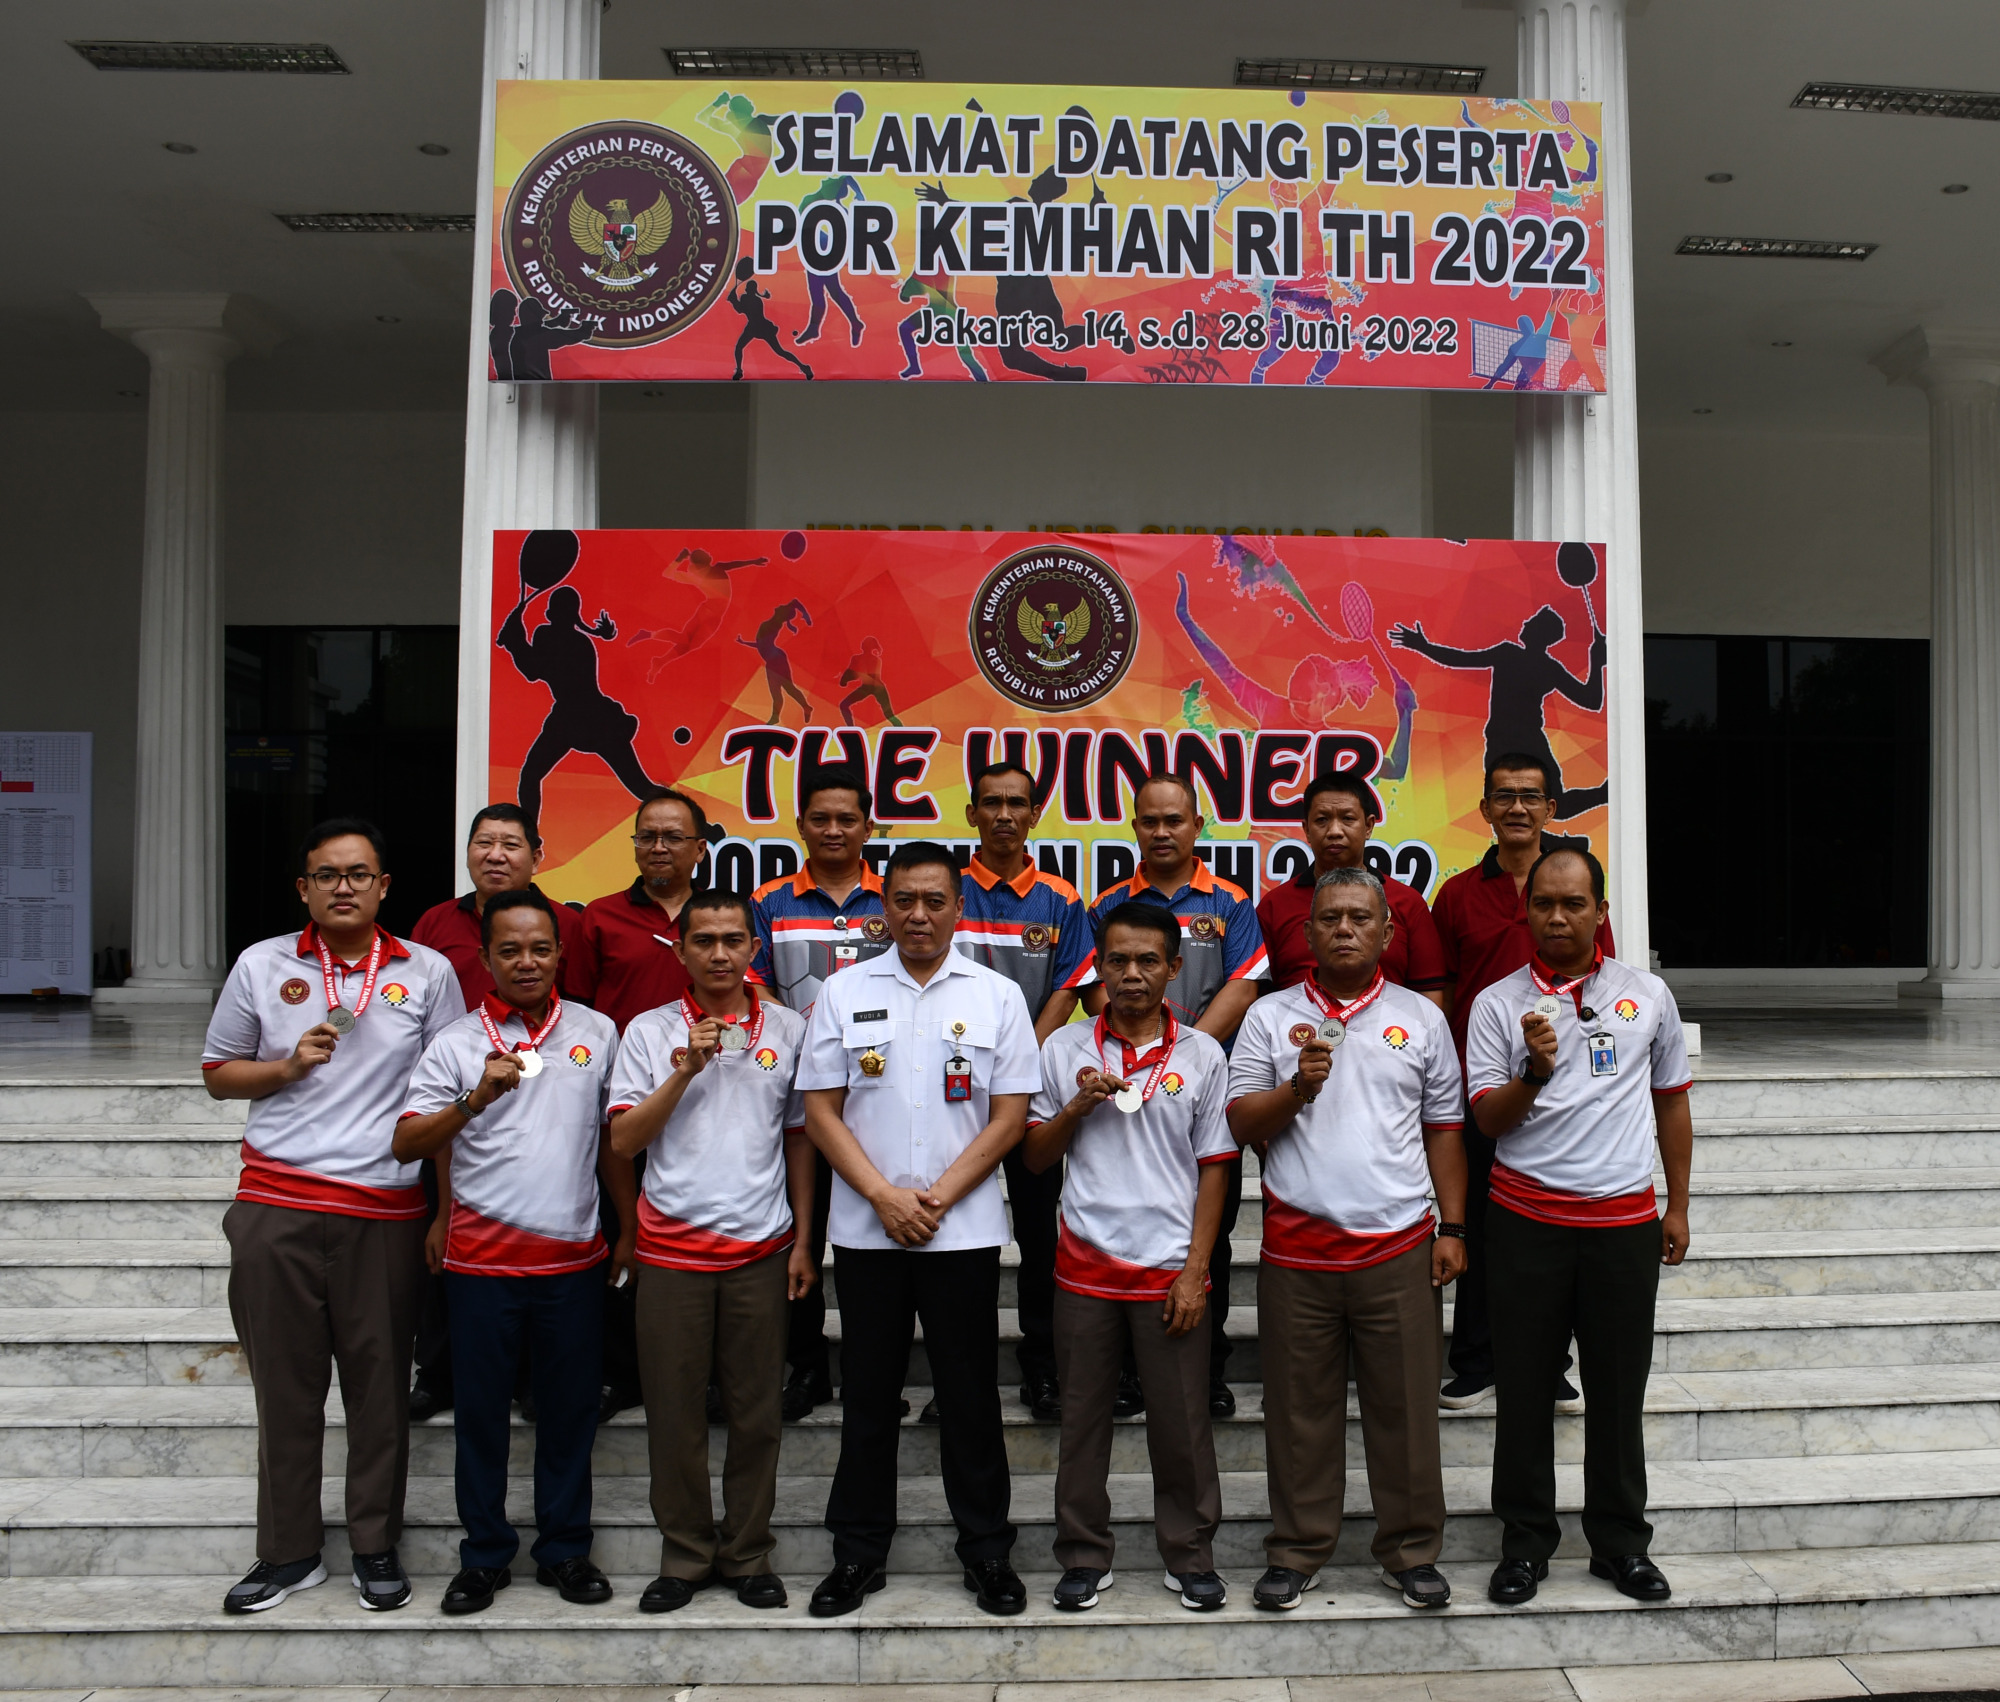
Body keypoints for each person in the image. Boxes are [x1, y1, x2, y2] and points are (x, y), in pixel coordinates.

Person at [201, 818, 463, 1616]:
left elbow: (446, 1099)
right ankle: (288, 1553)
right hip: (276, 1207)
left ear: (384, 886)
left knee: (379, 1391)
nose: (342, 887)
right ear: (303, 888)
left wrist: (444, 1210)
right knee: (286, 1390)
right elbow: (218, 1073)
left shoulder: (427, 971)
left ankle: (375, 1546)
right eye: (327, 875)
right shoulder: (262, 963)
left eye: (358, 874)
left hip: (383, 1209)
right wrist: (285, 1067)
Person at [797, 841, 1040, 1619]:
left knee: (970, 1397)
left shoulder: (998, 996)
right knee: (868, 1397)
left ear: (959, 908)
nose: (919, 915)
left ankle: (988, 1552)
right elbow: (820, 1111)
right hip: (868, 1233)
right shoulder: (842, 992)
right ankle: (857, 1554)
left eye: (935, 901)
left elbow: (1010, 1116)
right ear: (884, 907)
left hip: (960, 1232)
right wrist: (882, 1196)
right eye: (904, 900)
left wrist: (934, 1198)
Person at [1227, 867, 1467, 1614]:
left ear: (1387, 933)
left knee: (1407, 1412)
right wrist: (1297, 1087)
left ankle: (1411, 1553)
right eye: (1330, 917)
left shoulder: (1420, 1019)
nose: (1344, 929)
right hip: (1298, 1252)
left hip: (1398, 1248)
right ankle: (1297, 1552)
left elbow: (1444, 1129)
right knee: (1299, 1413)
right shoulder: (1270, 1018)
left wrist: (1453, 1227)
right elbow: (1240, 1122)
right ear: (1306, 932)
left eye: (1360, 918)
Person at [1466, 847, 1692, 1608]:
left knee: (1618, 1390)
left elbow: (1671, 1103)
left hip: (1622, 1224)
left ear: (1601, 911)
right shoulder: (1496, 1005)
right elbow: (1487, 1120)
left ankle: (1621, 1544)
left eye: (1573, 904)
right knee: (1524, 1390)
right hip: (1524, 1221)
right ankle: (1525, 1544)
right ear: (1525, 911)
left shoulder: (1647, 995)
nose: (1557, 917)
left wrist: (1677, 1204)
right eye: (1543, 904)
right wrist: (1533, 1070)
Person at [395, 889, 631, 1616]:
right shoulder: (455, 1042)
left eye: (539, 949)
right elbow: (409, 1142)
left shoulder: (597, 1031)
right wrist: (473, 1100)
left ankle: (565, 1549)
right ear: (485, 958)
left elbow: (614, 1140)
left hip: (573, 1262)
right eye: (509, 950)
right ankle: (485, 1555)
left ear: (559, 954)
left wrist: (627, 1224)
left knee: (569, 1412)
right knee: (481, 1417)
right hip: (480, 1267)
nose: (526, 962)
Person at [606, 892, 817, 1613]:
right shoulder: (648, 1031)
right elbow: (624, 1140)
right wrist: (684, 1069)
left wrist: (803, 1241)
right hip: (672, 1252)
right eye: (704, 941)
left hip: (762, 1247)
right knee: (674, 1416)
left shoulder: (788, 1028)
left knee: (757, 1416)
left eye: (733, 940)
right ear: (681, 950)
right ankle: (686, 1556)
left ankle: (749, 1554)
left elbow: (800, 1139)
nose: (720, 954)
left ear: (755, 949)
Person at [1024, 902, 1236, 1614]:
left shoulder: (1203, 1055)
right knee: (1082, 1423)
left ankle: (1191, 1556)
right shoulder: (1063, 1050)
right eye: (1117, 961)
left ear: (1175, 968)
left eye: (1148, 961)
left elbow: (1215, 1167)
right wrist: (1075, 1108)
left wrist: (1196, 1272)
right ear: (1100, 970)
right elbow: (1034, 1158)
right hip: (1086, 1266)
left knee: (1182, 1425)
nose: (1132, 974)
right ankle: (1084, 1555)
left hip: (1169, 1269)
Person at [1428, 753, 1616, 1411]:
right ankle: (1476, 1361)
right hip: (1481, 1088)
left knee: (1551, 1232)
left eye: (1530, 796)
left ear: (1550, 808)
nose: (1517, 807)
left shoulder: (1573, 885)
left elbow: (1601, 980)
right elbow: (1442, 993)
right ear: (1484, 809)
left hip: (1561, 1087)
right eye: (1504, 796)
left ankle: (1549, 1362)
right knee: (1479, 1225)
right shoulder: (1457, 895)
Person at [1087, 774, 1268, 1418]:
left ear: (1196, 826)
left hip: (1203, 1087)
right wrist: (1143, 1057)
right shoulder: (1108, 904)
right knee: (1127, 1222)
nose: (1162, 832)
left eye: (1174, 820)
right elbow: (1096, 988)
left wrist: (1183, 1054)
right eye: (1150, 821)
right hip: (1123, 1088)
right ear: (1135, 827)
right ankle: (1129, 1372)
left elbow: (1243, 986)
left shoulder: (1231, 901)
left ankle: (1208, 1368)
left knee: (1209, 1234)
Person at [406, 805, 592, 1422]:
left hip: (549, 1097)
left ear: (537, 856)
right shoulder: (436, 922)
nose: (495, 854)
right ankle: (440, 1373)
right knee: (448, 1254)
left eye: (510, 843)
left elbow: (577, 1005)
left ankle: (536, 1379)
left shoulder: (568, 922)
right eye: (483, 842)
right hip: (459, 1092)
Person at [953, 760, 1098, 1423]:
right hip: (956, 1098)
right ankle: (963, 1378)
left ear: (1035, 814)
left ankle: (1043, 1370)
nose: (1004, 815)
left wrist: (1014, 1062)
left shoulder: (1061, 901)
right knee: (960, 1243)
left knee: (1041, 1239)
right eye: (992, 803)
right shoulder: (950, 892)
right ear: (972, 814)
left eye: (1017, 803)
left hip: (1031, 1094)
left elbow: (1069, 990)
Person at [749, 766, 891, 1419]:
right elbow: (755, 984)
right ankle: (805, 1368)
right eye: (820, 819)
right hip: (796, 1099)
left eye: (847, 819)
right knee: (799, 1234)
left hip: (880, 1098)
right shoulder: (769, 901)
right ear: (801, 824)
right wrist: (808, 1045)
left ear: (869, 826)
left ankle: (874, 1373)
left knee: (872, 1247)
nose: (834, 830)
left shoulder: (893, 900)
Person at [1256, 773, 1447, 1005]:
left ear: (1368, 826)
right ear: (1306, 829)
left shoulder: (1407, 903)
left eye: (1347, 818)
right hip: (1298, 1028)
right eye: (1322, 820)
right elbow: (1259, 998)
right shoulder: (1275, 905)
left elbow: (1429, 997)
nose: (1334, 831)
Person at [568, 791, 709, 1036]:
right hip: (619, 1057)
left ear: (700, 850)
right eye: (646, 837)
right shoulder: (599, 916)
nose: (658, 848)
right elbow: (576, 1009)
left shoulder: (720, 918)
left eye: (673, 838)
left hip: (705, 1056)